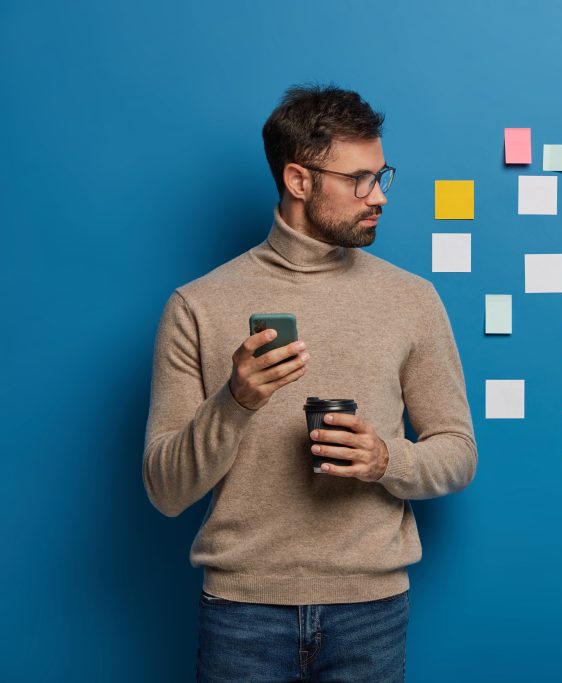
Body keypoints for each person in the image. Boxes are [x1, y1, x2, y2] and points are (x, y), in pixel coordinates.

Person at [142, 84, 477, 682]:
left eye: (381, 176)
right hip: (242, 614)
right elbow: (166, 491)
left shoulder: (411, 299)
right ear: (299, 180)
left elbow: (457, 455)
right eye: (359, 180)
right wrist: (235, 401)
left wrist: (384, 459)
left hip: (371, 612)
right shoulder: (197, 306)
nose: (379, 197)